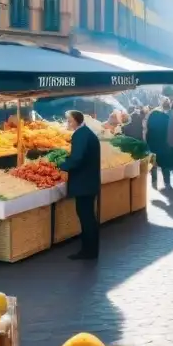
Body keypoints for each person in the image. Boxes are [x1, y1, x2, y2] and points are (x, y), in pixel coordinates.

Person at [59, 110, 101, 261]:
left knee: (86, 217)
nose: (68, 124)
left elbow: (77, 158)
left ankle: (88, 251)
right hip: (89, 182)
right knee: (88, 216)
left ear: (77, 120)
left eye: (69, 121)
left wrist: (63, 165)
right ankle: (91, 250)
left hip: (84, 183)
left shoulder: (80, 135)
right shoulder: (87, 133)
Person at [145, 99, 173, 189]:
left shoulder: (151, 121)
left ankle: (154, 183)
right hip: (164, 146)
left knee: (153, 165)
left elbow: (147, 136)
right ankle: (167, 183)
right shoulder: (166, 119)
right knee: (165, 166)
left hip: (152, 147)